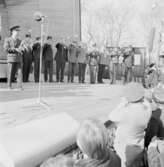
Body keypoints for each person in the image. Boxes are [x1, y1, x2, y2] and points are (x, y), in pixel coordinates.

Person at [108, 82, 152, 167]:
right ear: (142, 97)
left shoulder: (124, 112)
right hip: (138, 146)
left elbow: (111, 116)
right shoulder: (147, 112)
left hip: (122, 147)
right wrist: (143, 99)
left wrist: (122, 104)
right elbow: (148, 105)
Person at [4, 25, 24, 89]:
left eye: (18, 31)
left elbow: (22, 49)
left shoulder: (20, 40)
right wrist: (15, 49)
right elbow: (6, 48)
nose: (17, 32)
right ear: (12, 31)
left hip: (19, 58)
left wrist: (22, 49)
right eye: (16, 31)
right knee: (10, 73)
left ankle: (20, 86)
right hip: (11, 58)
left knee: (20, 73)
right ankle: (9, 86)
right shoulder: (8, 39)